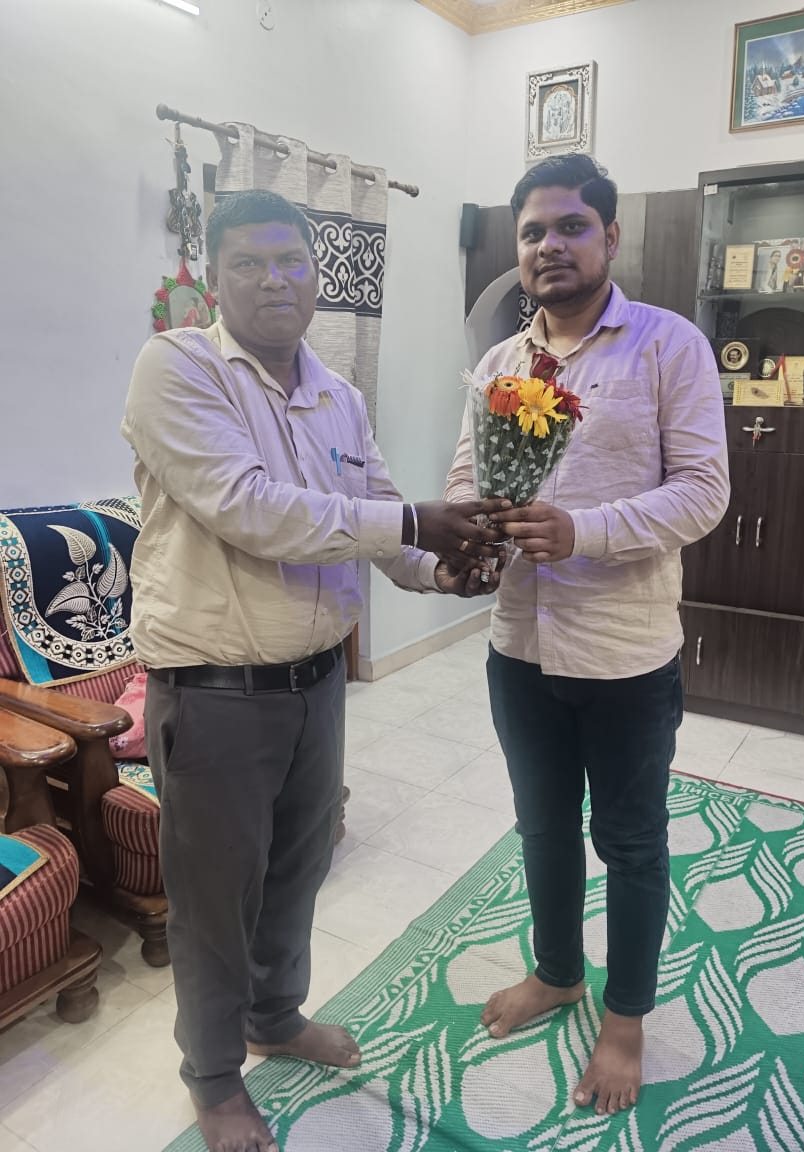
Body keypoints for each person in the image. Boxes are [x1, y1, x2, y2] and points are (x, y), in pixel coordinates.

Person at [122, 189, 507, 1152]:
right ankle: (215, 1079)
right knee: (217, 901)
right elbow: (254, 509)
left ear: (317, 272)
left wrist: (443, 569)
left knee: (300, 869)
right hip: (213, 694)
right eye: (249, 264)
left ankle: (274, 1016)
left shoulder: (338, 393)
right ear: (216, 279)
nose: (274, 280)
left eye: (292, 260)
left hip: (315, 685)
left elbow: (373, 512)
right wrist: (416, 522)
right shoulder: (178, 368)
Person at [444, 154, 729, 1118]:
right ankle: (558, 972)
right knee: (541, 826)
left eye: (570, 226)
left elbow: (704, 492)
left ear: (609, 236)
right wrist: (468, 541)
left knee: (631, 842)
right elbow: (463, 479)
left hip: (624, 651)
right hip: (518, 648)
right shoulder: (498, 365)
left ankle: (625, 1020)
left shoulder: (668, 345)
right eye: (533, 232)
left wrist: (585, 531)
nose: (549, 246)